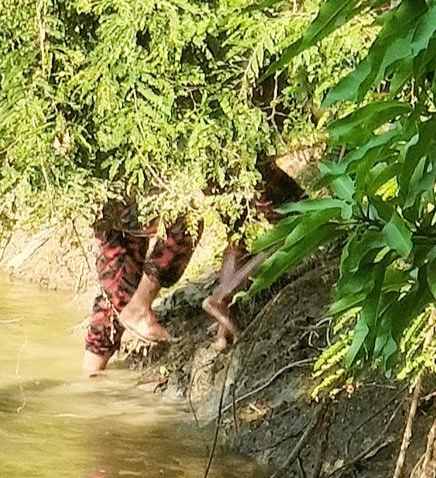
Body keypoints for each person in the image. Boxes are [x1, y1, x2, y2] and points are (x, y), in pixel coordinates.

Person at [83, 200, 201, 376]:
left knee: (117, 292)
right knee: (187, 222)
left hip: (109, 196)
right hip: (123, 200)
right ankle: (139, 309)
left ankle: (90, 377)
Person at [202, 157, 305, 350]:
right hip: (247, 157)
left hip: (212, 156)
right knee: (297, 222)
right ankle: (221, 298)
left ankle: (222, 333)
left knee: (238, 233)